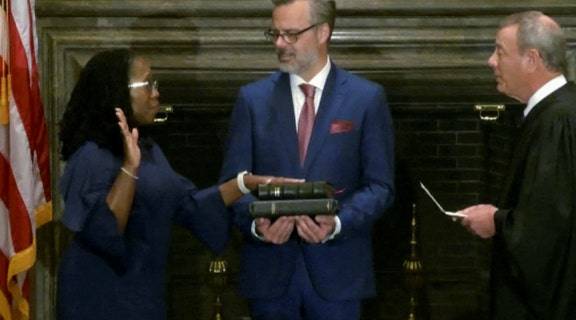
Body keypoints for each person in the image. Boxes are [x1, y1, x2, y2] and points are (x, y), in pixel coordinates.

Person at [55, 49, 299, 320]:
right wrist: (129, 167)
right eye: (148, 84)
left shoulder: (149, 150)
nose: (156, 92)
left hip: (143, 292)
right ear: (117, 92)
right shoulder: (91, 155)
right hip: (98, 295)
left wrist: (247, 183)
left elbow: (191, 205)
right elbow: (105, 231)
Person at [218, 0, 395, 319]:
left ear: (323, 32)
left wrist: (337, 222)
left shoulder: (366, 98)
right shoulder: (252, 100)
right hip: (269, 276)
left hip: (339, 276)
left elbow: (380, 186)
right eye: (275, 33)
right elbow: (232, 186)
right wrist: (258, 225)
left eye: (290, 34)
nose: (279, 44)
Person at [456, 11, 576, 319]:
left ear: (532, 59)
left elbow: (550, 232)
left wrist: (496, 220)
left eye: (500, 51)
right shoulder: (556, 114)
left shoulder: (560, 122)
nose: (491, 62)